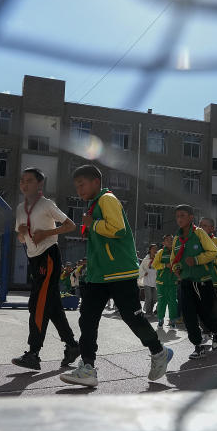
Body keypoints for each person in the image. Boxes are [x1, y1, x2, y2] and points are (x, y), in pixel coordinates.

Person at [59, 165, 172, 387]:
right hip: (98, 275)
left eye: (82, 184)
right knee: (87, 319)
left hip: (120, 272)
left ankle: (159, 352)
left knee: (132, 317)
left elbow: (118, 229)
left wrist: (95, 224)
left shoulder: (107, 199)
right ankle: (88, 368)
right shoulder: (93, 205)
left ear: (95, 182)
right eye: (76, 185)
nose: (79, 189)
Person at [11, 167, 81, 371]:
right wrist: (22, 233)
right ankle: (72, 345)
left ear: (39, 184)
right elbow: (21, 236)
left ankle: (33, 353)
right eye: (22, 181)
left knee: (37, 304)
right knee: (52, 306)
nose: (24, 184)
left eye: (29, 181)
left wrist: (47, 233)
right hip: (34, 258)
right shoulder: (19, 208)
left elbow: (70, 225)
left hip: (49, 256)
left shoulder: (46, 204)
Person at [171, 205, 217, 359]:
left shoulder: (199, 233)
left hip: (203, 282)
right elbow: (174, 260)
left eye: (183, 215)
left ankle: (216, 330)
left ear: (191, 217)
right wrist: (176, 268)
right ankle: (198, 346)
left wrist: (197, 259)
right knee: (188, 316)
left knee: (205, 313)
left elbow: (213, 252)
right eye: (177, 216)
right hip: (186, 282)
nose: (179, 219)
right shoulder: (176, 239)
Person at [152, 234, 179, 329]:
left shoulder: (176, 252)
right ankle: (160, 319)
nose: (170, 241)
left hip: (173, 282)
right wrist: (164, 265)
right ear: (163, 243)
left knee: (173, 302)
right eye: (168, 240)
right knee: (162, 301)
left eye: (172, 239)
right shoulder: (160, 252)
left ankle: (172, 321)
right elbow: (155, 265)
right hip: (161, 282)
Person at [138, 243, 159, 315]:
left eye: (156, 248)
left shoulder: (158, 258)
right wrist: (144, 273)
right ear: (150, 250)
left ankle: (150, 309)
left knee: (155, 299)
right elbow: (141, 268)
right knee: (149, 298)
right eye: (153, 248)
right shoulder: (146, 259)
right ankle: (148, 312)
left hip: (156, 281)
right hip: (147, 281)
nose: (155, 250)